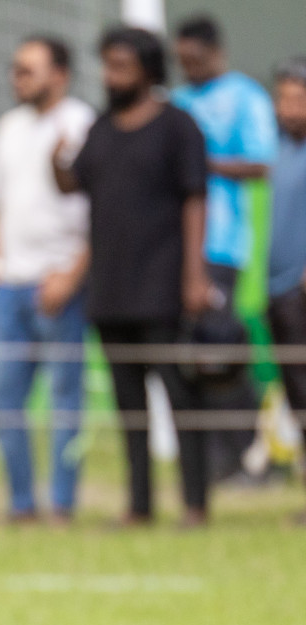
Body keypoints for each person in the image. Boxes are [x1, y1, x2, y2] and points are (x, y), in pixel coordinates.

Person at [53, 26, 211, 526]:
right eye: (107, 66)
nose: (111, 76)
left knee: (180, 398)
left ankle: (194, 503)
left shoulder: (177, 126)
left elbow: (195, 199)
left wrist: (193, 274)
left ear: (147, 70)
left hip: (161, 286)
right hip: (111, 289)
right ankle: (139, 505)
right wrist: (53, 158)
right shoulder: (101, 127)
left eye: (121, 66)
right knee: (129, 406)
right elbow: (72, 182)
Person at [0, 36, 94, 524]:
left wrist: (71, 274)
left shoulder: (83, 124)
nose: (18, 77)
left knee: (66, 398)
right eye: (16, 67)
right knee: (2, 396)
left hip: (61, 284)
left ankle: (63, 504)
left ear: (61, 74)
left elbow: (100, 214)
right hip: (11, 286)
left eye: (30, 69)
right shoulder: (7, 127)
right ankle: (22, 504)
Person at [172, 14, 279, 481]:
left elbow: (263, 164)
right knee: (191, 357)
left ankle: (252, 456)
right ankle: (215, 459)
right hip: (174, 249)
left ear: (216, 52)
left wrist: (203, 163)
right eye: (182, 62)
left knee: (224, 350)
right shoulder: (177, 100)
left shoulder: (245, 96)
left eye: (195, 60)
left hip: (222, 246)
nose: (189, 69)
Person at [267, 57, 306, 522]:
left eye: (298, 98)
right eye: (284, 97)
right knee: (297, 395)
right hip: (277, 292)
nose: (288, 107)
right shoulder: (275, 150)